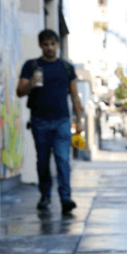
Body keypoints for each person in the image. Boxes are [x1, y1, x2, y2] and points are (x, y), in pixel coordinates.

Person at [16, 29, 82, 214]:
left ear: (58, 45)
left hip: (62, 120)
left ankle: (66, 198)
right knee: (43, 161)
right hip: (40, 121)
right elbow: (19, 91)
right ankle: (45, 195)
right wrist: (31, 84)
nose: (50, 48)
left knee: (63, 160)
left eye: (53, 44)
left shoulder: (67, 67)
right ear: (40, 45)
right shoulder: (32, 66)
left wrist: (80, 119)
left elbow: (75, 94)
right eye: (46, 44)